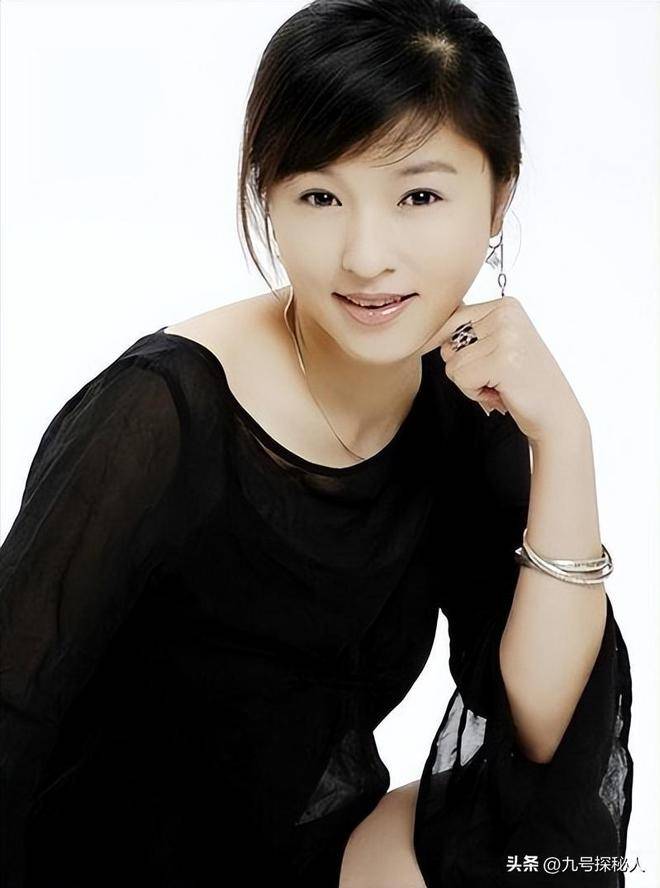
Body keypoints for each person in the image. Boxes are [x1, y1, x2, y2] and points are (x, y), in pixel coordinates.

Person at [0, 1, 633, 886]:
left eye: (418, 195)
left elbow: (543, 724)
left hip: (302, 850)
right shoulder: (161, 412)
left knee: (532, 848)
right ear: (269, 195)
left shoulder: (462, 402)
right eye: (320, 196)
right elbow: (12, 711)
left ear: (499, 198)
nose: (366, 257)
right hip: (102, 865)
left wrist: (565, 436)